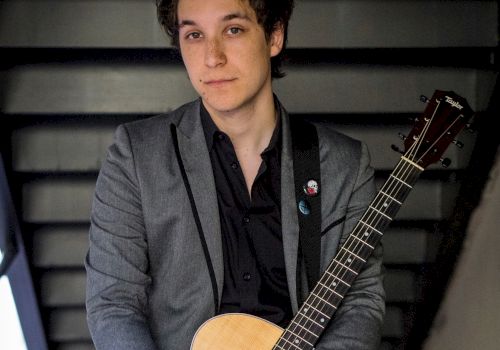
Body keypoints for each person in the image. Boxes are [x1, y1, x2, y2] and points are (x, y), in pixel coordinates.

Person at [85, 0, 385, 349]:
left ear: (275, 35)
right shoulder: (135, 156)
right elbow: (113, 303)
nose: (212, 57)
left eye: (233, 30)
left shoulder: (345, 164)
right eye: (194, 34)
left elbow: (360, 301)